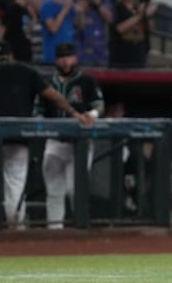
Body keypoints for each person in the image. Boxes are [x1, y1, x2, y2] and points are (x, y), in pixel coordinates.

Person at [0, 41, 93, 230]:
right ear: (11, 56)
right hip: (17, 140)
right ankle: (16, 231)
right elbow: (54, 96)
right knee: (15, 187)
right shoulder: (26, 71)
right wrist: (74, 113)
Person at [35, 42, 104, 229]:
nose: (66, 61)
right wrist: (40, 122)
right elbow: (38, 110)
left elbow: (99, 104)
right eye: (62, 57)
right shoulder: (47, 83)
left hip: (80, 142)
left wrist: (93, 115)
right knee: (54, 190)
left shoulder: (87, 80)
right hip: (55, 141)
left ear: (75, 58)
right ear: (56, 60)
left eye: (69, 57)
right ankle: (55, 230)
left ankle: (80, 228)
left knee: (75, 189)